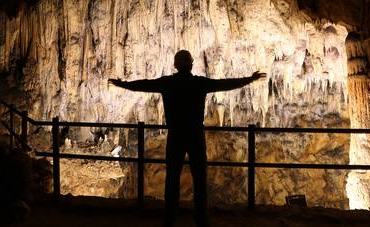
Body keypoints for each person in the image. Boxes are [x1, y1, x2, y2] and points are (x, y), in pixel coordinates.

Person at [109, 50, 266, 227]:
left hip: (176, 134)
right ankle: (201, 217)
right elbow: (225, 84)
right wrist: (250, 79)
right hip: (195, 135)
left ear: (175, 65)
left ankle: (170, 217)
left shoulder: (168, 83)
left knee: (172, 178)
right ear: (191, 65)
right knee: (199, 178)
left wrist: (122, 84)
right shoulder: (199, 83)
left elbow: (143, 85)